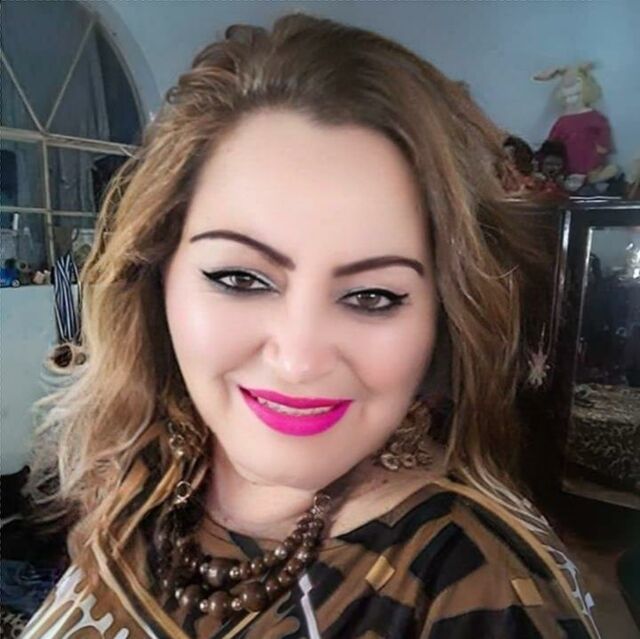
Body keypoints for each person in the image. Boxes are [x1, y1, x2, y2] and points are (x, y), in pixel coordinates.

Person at [21, 14, 600, 639]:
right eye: (241, 278)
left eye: (373, 295)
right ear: (157, 276)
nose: (298, 360)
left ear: (444, 317)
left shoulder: (478, 588)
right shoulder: (145, 466)